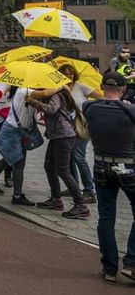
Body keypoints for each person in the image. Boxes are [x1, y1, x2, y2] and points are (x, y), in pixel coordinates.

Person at [82, 72, 135, 282]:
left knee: (106, 217)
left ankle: (110, 268)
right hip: (128, 167)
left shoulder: (90, 108)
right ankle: (131, 263)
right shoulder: (130, 110)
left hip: (101, 165)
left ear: (103, 87)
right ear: (123, 90)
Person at [29, 86, 89, 219]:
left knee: (63, 170)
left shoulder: (57, 95)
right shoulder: (56, 94)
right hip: (56, 135)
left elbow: (51, 110)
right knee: (49, 167)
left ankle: (81, 205)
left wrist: (32, 101)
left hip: (63, 135)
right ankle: (56, 199)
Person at [56, 63, 99, 204]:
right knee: (69, 159)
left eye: (71, 73)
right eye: (66, 73)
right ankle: (73, 187)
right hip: (66, 128)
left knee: (79, 157)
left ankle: (89, 191)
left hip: (80, 127)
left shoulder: (80, 86)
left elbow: (100, 97)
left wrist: (89, 112)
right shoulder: (59, 89)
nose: (69, 76)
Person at [0, 86, 38, 205]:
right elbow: (45, 93)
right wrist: (60, 88)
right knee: (19, 163)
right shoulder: (24, 91)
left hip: (15, 130)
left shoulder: (22, 91)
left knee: (10, 157)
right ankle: (17, 195)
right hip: (14, 131)